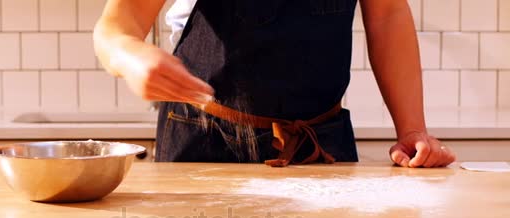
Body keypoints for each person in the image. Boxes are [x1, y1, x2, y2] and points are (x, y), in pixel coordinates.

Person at [94, 0, 456, 168]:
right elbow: (115, 26)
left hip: (319, 152)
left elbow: (388, 14)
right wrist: (130, 55)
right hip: (205, 151)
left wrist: (412, 130)